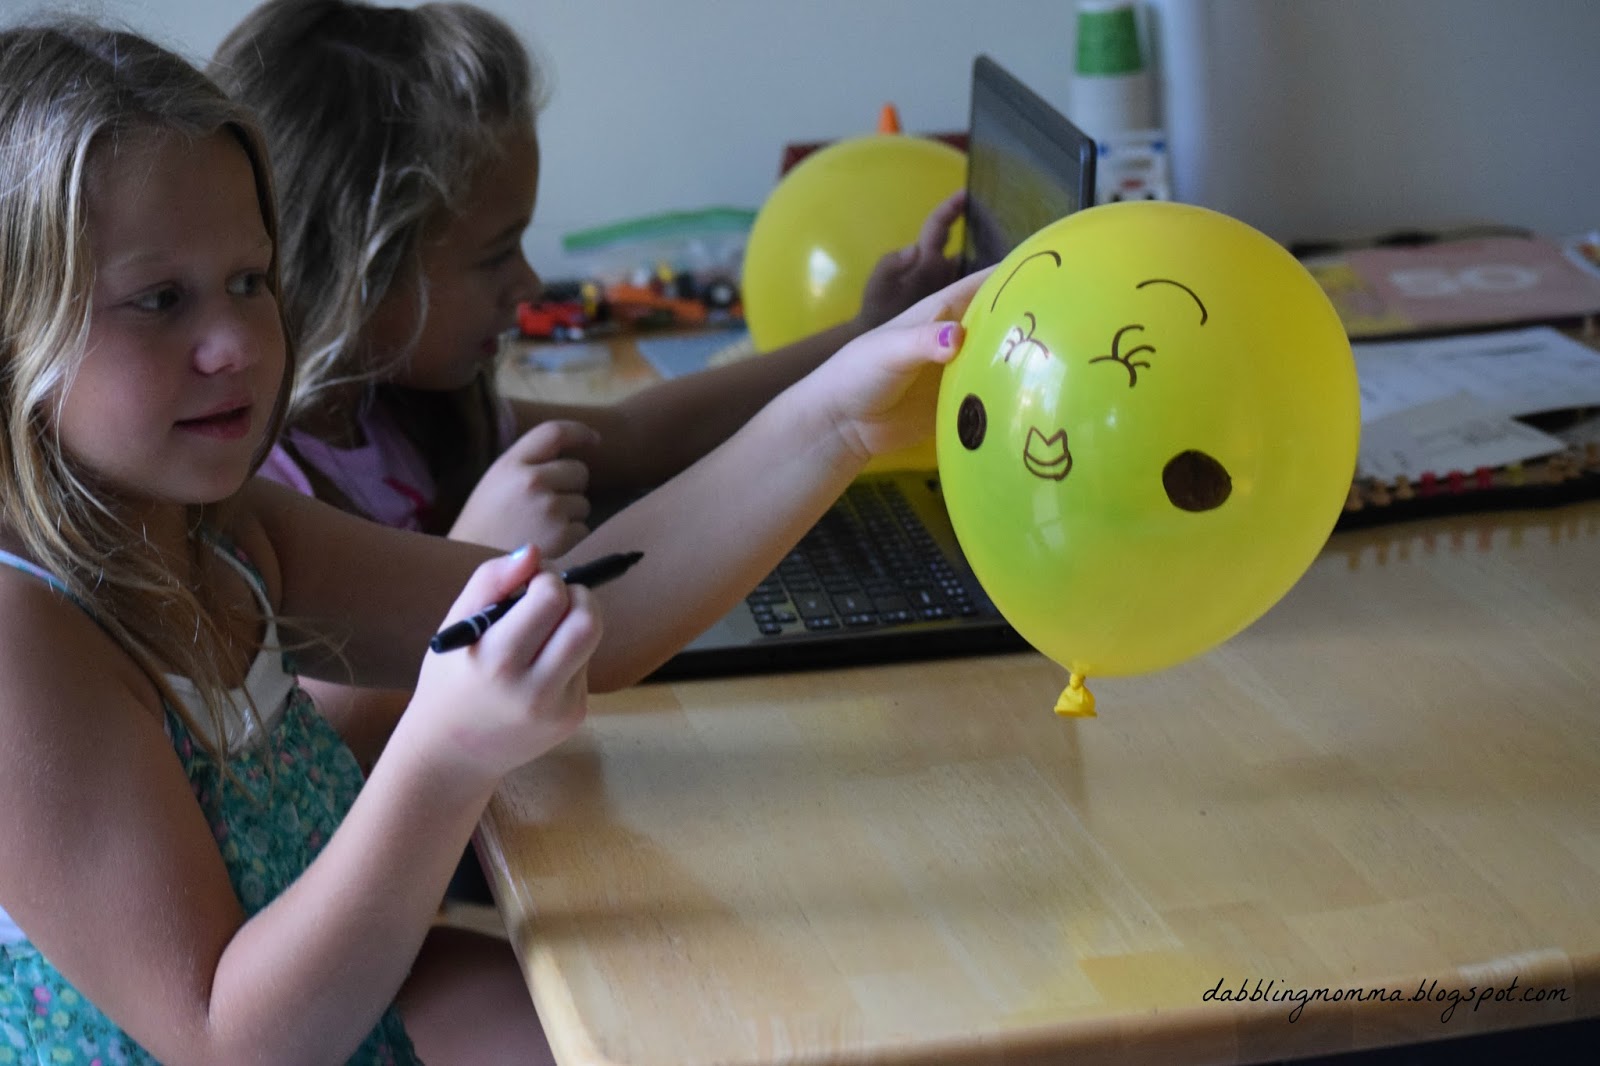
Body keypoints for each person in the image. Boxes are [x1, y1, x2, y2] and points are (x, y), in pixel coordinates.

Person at [0, 16, 983, 1066]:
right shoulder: (23, 636)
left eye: (250, 280)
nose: (237, 342)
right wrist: (446, 752)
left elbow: (596, 618)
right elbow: (226, 1039)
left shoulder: (224, 526)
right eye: (160, 300)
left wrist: (835, 420)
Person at [212, 0, 965, 558]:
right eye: (495, 254)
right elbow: (320, 729)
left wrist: (865, 335)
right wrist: (474, 566)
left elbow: (638, 435)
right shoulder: (256, 486)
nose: (531, 282)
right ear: (359, 269)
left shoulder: (395, 413)